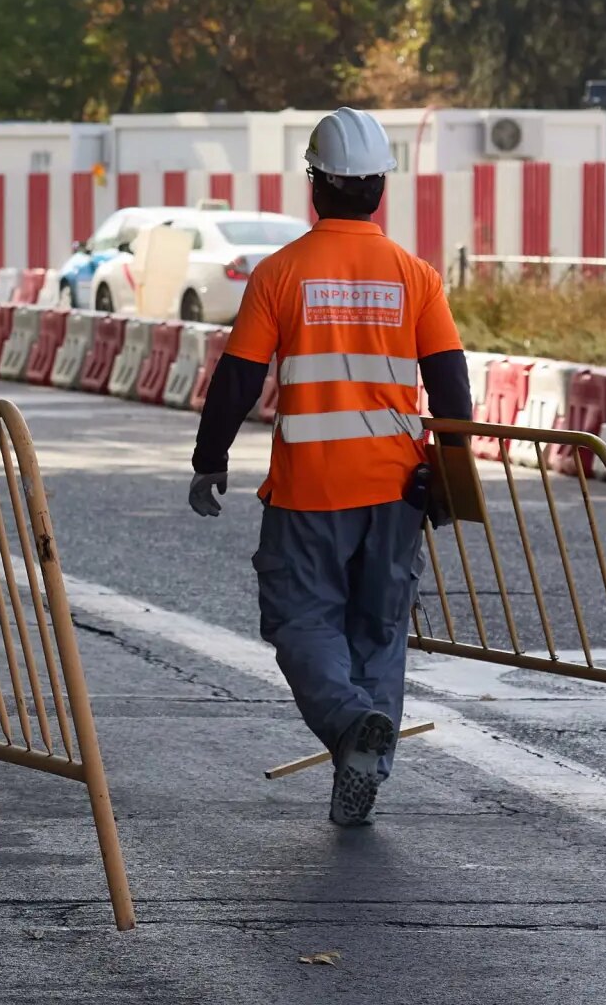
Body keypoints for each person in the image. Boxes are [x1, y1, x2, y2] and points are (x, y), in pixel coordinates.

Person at [189, 107, 472, 828]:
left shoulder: (281, 274)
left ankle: (350, 726)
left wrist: (209, 458)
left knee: (299, 620)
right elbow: (451, 387)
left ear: (314, 186)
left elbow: (238, 379)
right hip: (396, 489)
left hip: (311, 492)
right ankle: (365, 757)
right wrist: (449, 475)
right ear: (379, 188)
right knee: (377, 632)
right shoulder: (416, 278)